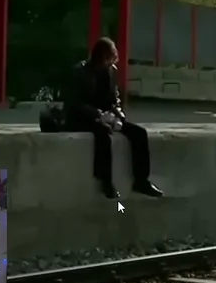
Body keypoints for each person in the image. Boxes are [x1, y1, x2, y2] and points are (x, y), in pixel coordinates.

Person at [64, 37, 165, 200]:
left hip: (106, 116)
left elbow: (114, 97)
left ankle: (141, 181)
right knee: (103, 135)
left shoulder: (111, 72)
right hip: (82, 118)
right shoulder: (80, 72)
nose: (110, 64)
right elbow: (74, 103)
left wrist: (118, 113)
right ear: (99, 58)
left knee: (139, 133)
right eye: (108, 60)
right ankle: (106, 182)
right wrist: (98, 115)